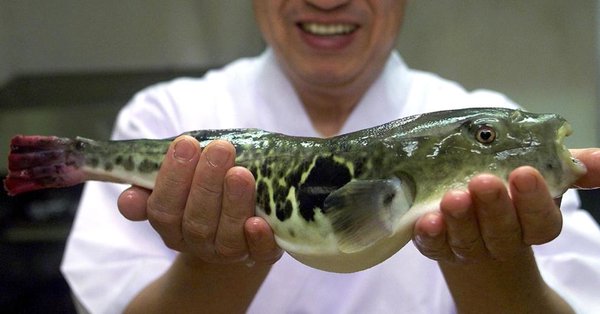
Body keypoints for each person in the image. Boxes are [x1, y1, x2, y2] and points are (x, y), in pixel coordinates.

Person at [61, 1, 600, 313]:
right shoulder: (165, 116)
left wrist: (489, 255)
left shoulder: (498, 121)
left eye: (484, 138)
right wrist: (215, 258)